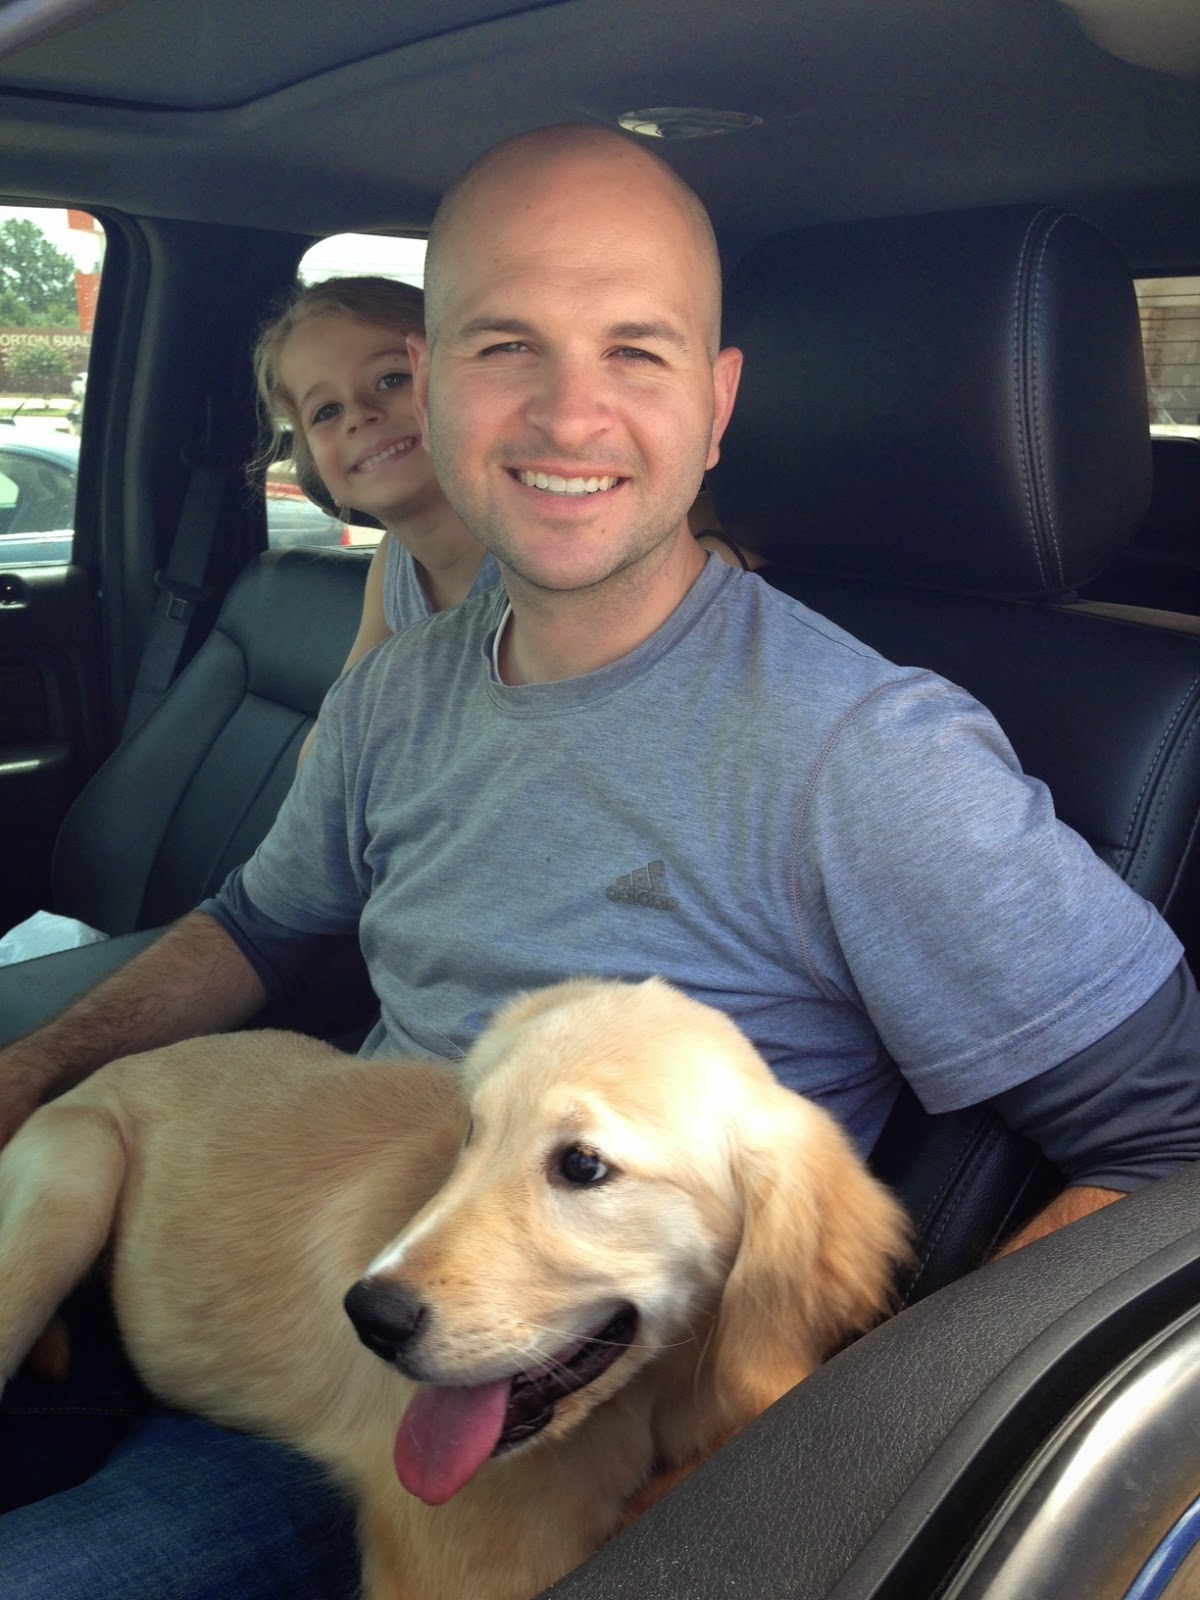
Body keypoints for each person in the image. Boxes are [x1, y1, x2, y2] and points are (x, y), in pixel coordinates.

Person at [1, 122, 1198, 1597]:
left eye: (637, 349)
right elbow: (256, 925)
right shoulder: (397, 688)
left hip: (501, 1446)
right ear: (435, 382)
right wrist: (31, 1073)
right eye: (507, 344)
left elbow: (1173, 1141)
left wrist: (818, 1452)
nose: (571, 413)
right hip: (258, 1268)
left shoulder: (871, 756)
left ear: (717, 402)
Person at [249, 274, 759, 767]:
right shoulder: (395, 564)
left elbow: (686, 527)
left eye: (391, 380)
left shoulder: (561, 534)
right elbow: (336, 737)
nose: (360, 414)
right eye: (326, 412)